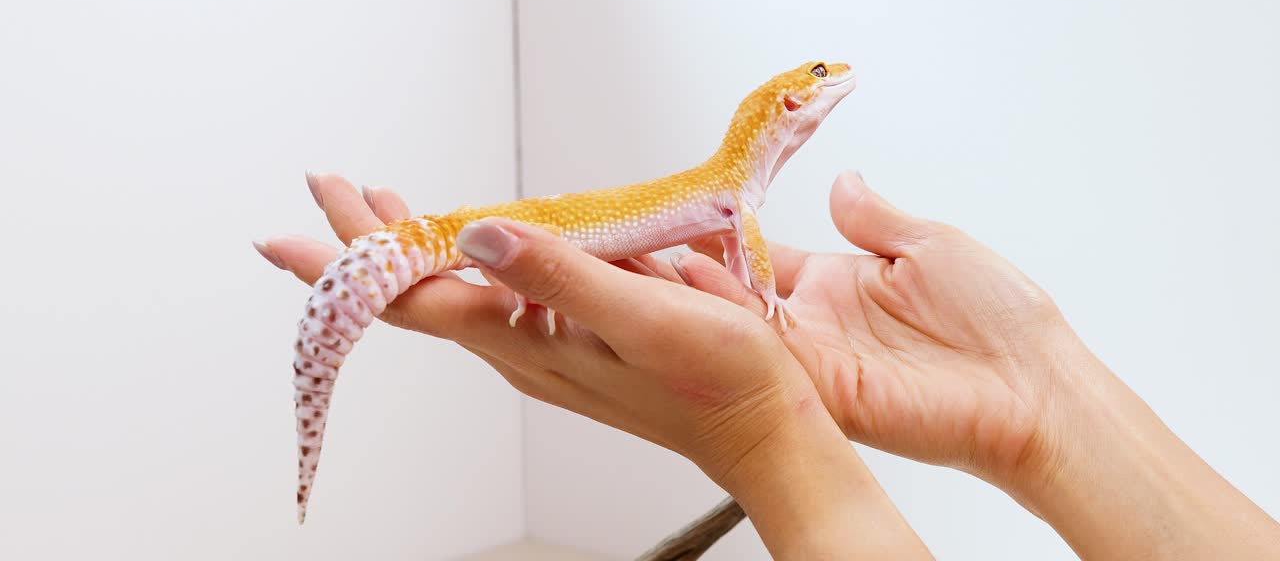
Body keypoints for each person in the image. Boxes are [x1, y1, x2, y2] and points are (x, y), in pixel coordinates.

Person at [256, 171, 1280, 559]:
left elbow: (740, 261)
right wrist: (1038, 398)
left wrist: (763, 434)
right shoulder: (731, 190)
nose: (829, 91)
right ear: (784, 115)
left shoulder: (734, 197)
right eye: (815, 86)